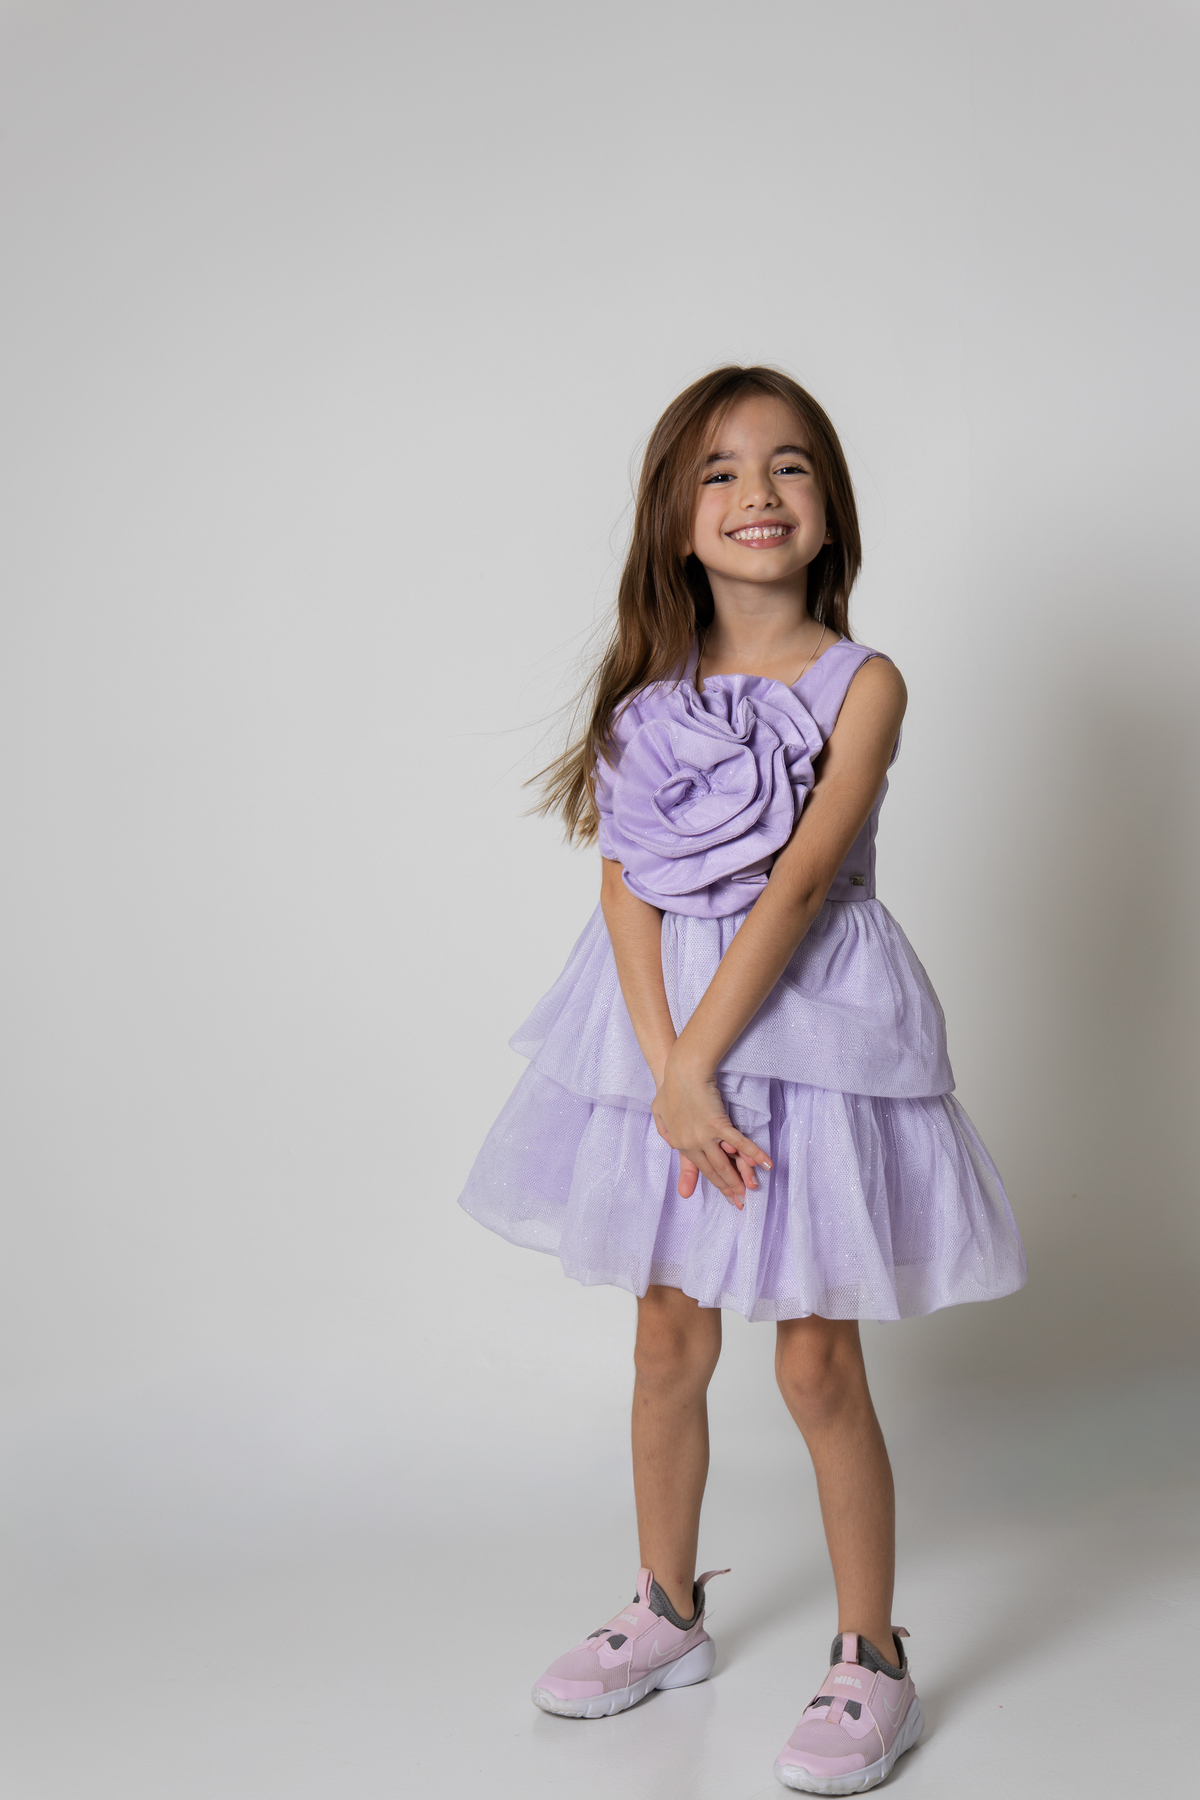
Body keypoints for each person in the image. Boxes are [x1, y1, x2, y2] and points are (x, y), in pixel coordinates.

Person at [458, 365, 1026, 1793]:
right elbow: (627, 889)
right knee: (666, 1337)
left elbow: (801, 882)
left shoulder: (863, 683)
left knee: (816, 1359)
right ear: (675, 514)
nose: (755, 493)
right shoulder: (649, 691)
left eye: (787, 465)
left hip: (811, 1032)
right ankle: (667, 1607)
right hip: (669, 1048)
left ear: (830, 504)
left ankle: (870, 1655)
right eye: (718, 471)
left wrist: (702, 1059)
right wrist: (667, 1072)